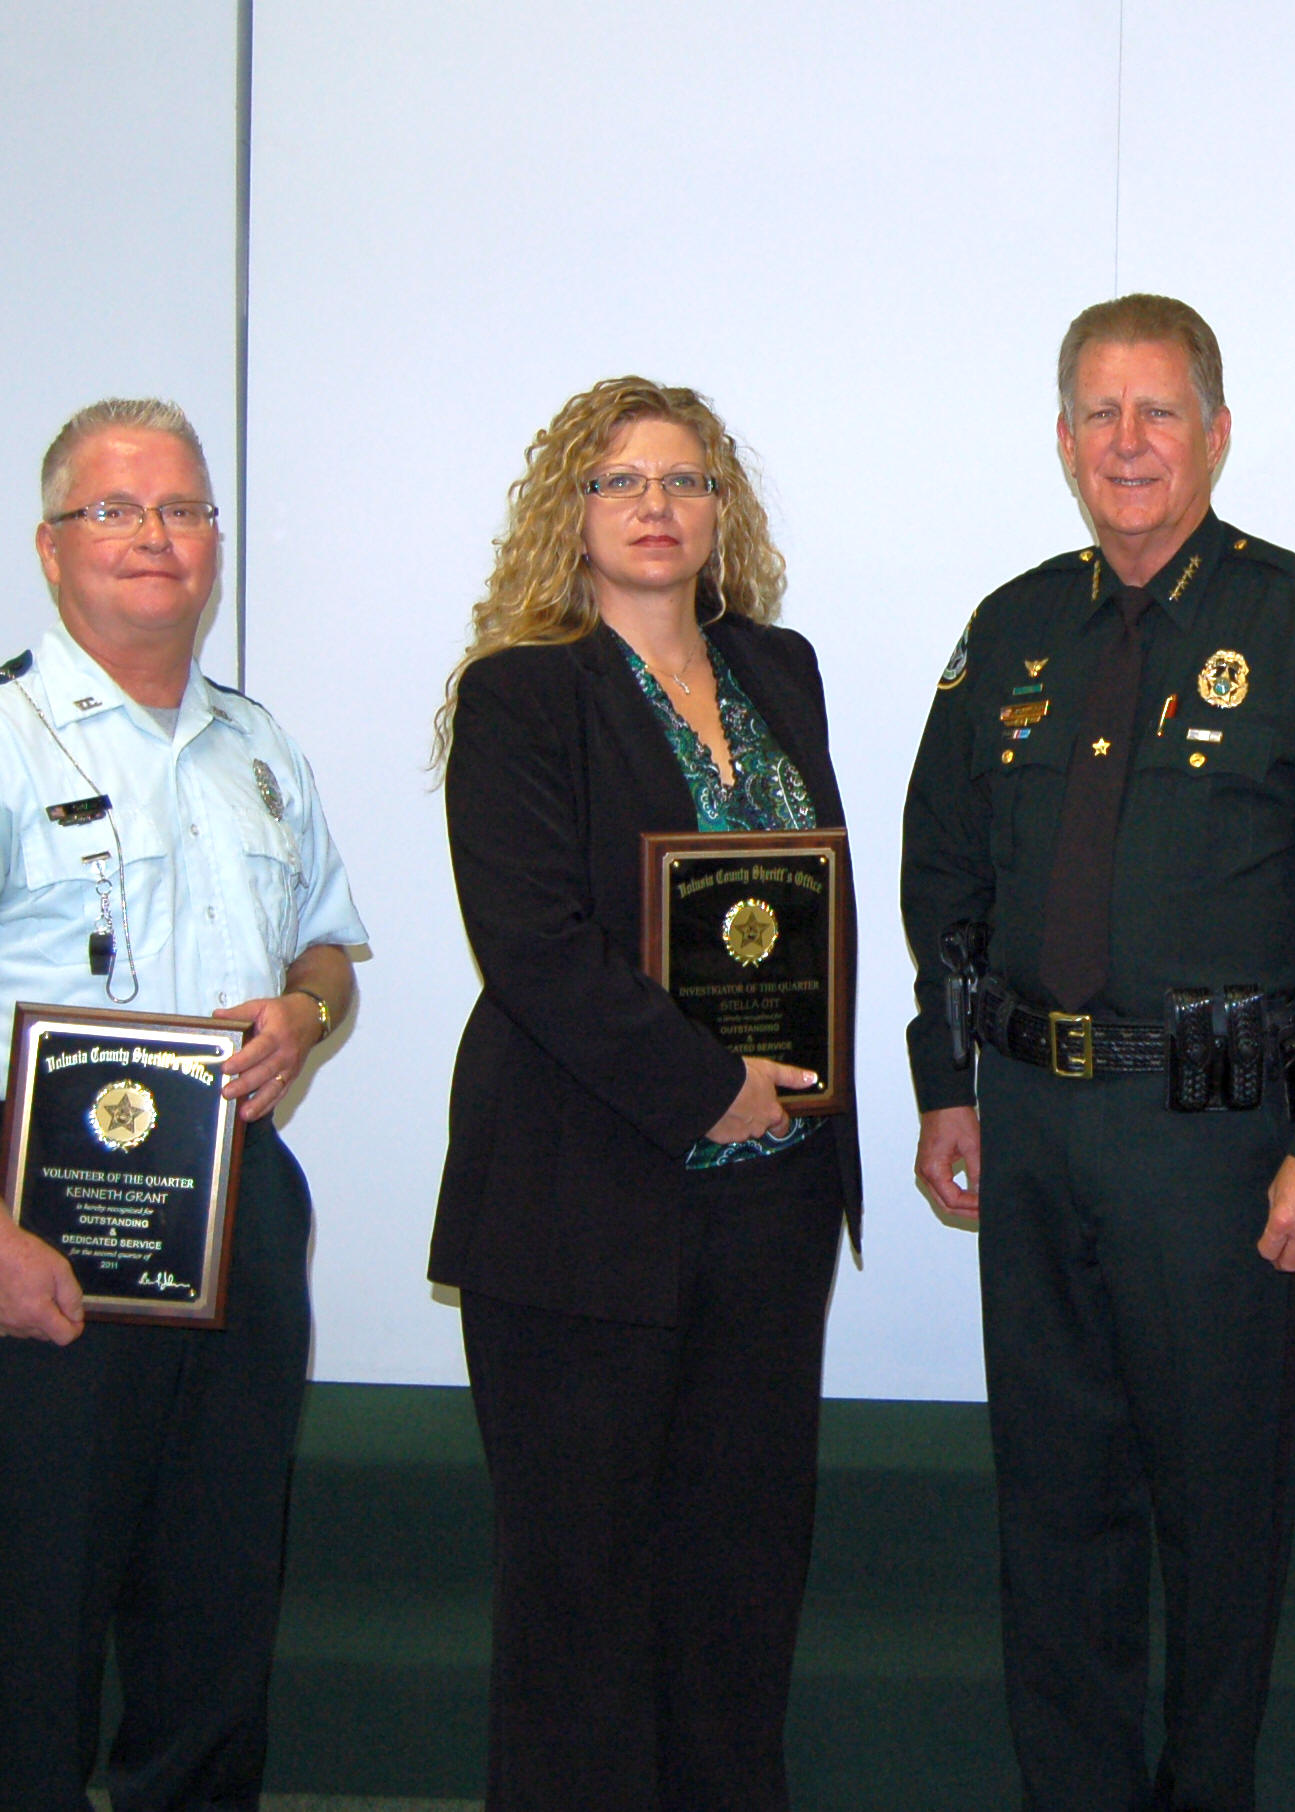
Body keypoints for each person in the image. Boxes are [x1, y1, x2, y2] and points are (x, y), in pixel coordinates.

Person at [901, 294, 1295, 1811]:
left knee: (1219, 1512)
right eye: (1098, 414)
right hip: (1038, 1126)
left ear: (1216, 430)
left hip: (1220, 1144)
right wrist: (949, 1085)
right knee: (1052, 1505)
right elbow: (944, 874)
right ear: (1063, 440)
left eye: (1158, 412)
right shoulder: (1009, 630)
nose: (1127, 444)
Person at [0, 397, 366, 1810]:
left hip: (236, 1204)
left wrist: (303, 1013)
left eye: (184, 510)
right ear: (52, 547)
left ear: (216, 545)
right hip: (41, 1216)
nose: (155, 538)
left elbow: (327, 951)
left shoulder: (261, 749)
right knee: (54, 1604)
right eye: (116, 510)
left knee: (219, 1594)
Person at [429, 377, 860, 1811]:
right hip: (582, 1207)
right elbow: (534, 947)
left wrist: (786, 1100)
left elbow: (811, 911)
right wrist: (704, 1090)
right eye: (622, 481)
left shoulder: (779, 670)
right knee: (581, 1601)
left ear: (721, 512)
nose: (657, 507)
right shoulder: (521, 692)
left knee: (742, 1583)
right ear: (574, 512)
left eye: (685, 481)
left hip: (771, 1211)